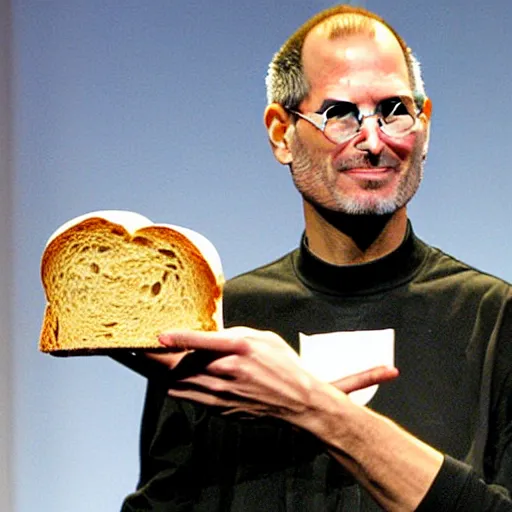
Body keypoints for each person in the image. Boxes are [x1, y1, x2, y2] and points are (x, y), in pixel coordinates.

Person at [121, 5, 512, 511]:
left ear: (425, 125)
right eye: (339, 114)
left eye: (394, 109)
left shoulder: (495, 319)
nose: (373, 142)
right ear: (282, 133)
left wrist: (313, 408)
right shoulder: (219, 323)